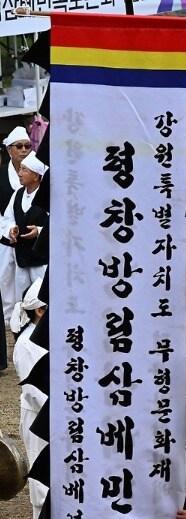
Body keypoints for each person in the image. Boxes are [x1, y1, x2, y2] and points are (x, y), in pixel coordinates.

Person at [11, 278, 46, 519]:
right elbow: (34, 391)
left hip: (62, 416)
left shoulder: (53, 336)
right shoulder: (26, 344)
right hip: (40, 420)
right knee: (42, 482)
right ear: (40, 311)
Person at [0, 152, 47, 306]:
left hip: (41, 259)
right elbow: (8, 218)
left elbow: (57, 222)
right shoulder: (18, 194)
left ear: (36, 175)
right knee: (22, 298)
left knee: (41, 298)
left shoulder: (47, 196)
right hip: (21, 255)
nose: (19, 174)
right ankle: (22, 328)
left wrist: (39, 231)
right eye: (20, 169)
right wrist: (11, 229)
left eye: (24, 170)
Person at [0, 127, 27, 322]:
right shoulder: (2, 175)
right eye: (19, 146)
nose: (24, 150)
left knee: (24, 279)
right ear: (10, 150)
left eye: (27, 145)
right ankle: (7, 318)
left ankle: (24, 316)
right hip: (4, 233)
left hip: (29, 234)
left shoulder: (37, 172)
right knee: (4, 278)